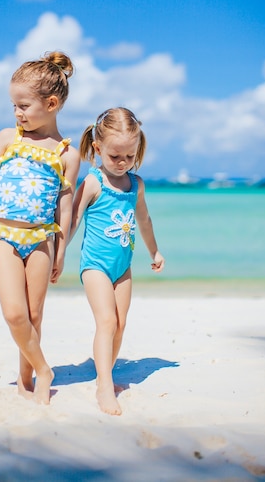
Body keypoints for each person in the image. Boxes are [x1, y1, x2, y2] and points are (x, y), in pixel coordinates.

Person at [0, 51, 80, 405]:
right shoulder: (6, 138)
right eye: (14, 105)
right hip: (4, 233)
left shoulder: (67, 154)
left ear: (51, 103)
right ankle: (45, 369)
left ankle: (26, 379)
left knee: (34, 315)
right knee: (15, 314)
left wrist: (61, 250)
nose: (17, 113)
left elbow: (66, 207)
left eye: (24, 106)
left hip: (42, 239)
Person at [70, 107, 165, 415]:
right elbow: (72, 220)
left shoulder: (135, 185)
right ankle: (103, 386)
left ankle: (105, 374)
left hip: (122, 268)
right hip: (95, 265)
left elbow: (145, 219)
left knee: (120, 325)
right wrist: (56, 254)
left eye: (130, 157)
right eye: (115, 157)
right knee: (107, 321)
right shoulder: (94, 182)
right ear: (98, 149)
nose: (123, 163)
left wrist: (155, 251)